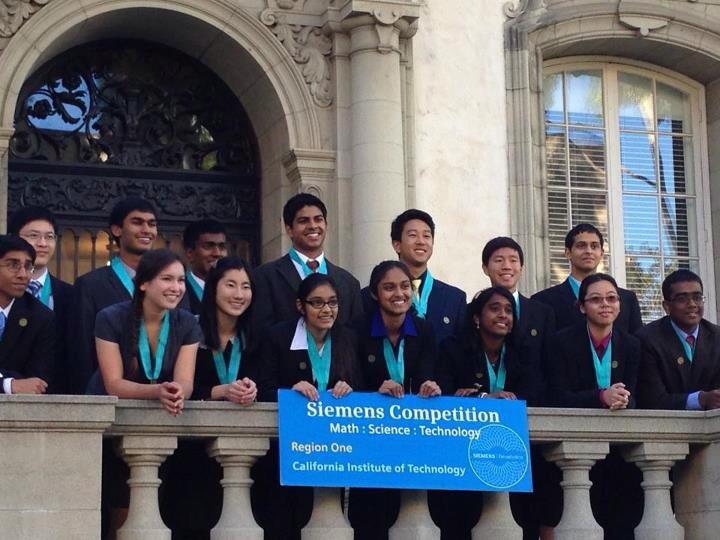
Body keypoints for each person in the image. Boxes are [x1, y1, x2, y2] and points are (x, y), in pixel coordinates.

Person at [88, 248, 200, 539]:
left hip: (161, 425)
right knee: (119, 511)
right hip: (112, 425)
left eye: (180, 280)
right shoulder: (110, 318)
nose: (176, 288)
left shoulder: (187, 323)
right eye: (167, 279)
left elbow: (185, 381)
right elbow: (114, 383)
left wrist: (177, 391)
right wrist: (158, 391)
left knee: (160, 512)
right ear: (143, 283)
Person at [253, 273, 362, 540]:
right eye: (317, 303)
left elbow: (362, 387)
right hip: (289, 450)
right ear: (300, 306)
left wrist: (349, 389)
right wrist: (289, 391)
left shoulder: (348, 338)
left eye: (333, 303)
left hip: (333, 448)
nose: (327, 310)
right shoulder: (277, 337)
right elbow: (262, 386)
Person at [163, 257, 258, 540]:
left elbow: (268, 380)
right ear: (213, 288)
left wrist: (252, 389)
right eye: (230, 285)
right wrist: (220, 391)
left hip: (246, 454)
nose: (239, 294)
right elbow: (177, 384)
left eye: (245, 286)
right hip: (191, 450)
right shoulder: (189, 330)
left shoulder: (256, 336)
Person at [435, 286, 540, 539]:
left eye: (508, 310)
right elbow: (447, 394)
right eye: (494, 309)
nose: (503, 315)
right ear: (476, 317)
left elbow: (534, 393)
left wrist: (471, 393)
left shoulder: (523, 352)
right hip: (463, 454)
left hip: (511, 454)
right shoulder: (454, 349)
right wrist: (484, 397)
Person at [349, 260, 440, 540]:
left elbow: (430, 372)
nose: (399, 294)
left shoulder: (424, 330)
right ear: (375, 294)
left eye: (405, 286)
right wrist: (375, 389)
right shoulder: (357, 330)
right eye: (389, 288)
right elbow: (350, 380)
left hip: (412, 437)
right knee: (371, 517)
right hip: (370, 440)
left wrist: (430, 385)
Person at [547, 273, 643, 540]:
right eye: (596, 299)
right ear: (582, 307)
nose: (605, 304)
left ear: (620, 305)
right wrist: (601, 397)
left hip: (620, 452)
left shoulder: (632, 344)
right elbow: (556, 396)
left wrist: (625, 399)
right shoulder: (560, 342)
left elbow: (637, 395)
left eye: (612, 298)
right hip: (574, 450)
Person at [71, 196, 158, 393]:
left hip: (165, 396)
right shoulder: (90, 285)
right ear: (117, 230)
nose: (147, 229)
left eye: (152, 224)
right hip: (106, 396)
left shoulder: (173, 286)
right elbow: (81, 351)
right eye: (137, 222)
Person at [251, 193, 363, 333]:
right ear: (289, 229)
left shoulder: (349, 283)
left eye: (318, 219)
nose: (313, 226)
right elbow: (260, 335)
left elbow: (355, 338)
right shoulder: (264, 277)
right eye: (304, 221)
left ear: (326, 225)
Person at [363, 209, 466, 346]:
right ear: (397, 245)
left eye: (427, 236)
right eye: (413, 235)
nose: (421, 242)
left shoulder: (455, 298)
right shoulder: (369, 295)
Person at [8, 206, 73, 393]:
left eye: (49, 237)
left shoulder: (71, 295)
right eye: (33, 235)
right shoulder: (4, 293)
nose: (43, 243)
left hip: (58, 399)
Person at [532, 223, 642, 333]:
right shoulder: (543, 301)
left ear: (602, 253)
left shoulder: (627, 300)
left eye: (594, 246)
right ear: (568, 253)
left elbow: (636, 345)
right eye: (581, 246)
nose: (589, 251)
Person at [637, 269, 720, 410]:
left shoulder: (716, 336)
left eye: (698, 297)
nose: (692, 304)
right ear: (666, 306)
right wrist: (700, 399)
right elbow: (651, 399)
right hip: (663, 427)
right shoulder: (647, 339)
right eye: (682, 299)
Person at [481, 236, 555, 379]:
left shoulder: (542, 312)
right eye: (499, 260)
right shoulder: (474, 310)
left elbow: (550, 363)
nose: (507, 266)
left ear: (521, 268)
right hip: (485, 397)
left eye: (513, 260)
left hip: (532, 399)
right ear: (485, 268)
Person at [0, 235, 55, 394]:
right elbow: (20, 383)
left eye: (28, 266)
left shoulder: (41, 317)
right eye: (13, 265)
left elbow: (37, 381)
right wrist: (8, 384)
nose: (23, 275)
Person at [181, 219, 228, 314]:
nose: (217, 253)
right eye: (209, 246)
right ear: (190, 253)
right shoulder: (178, 291)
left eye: (222, 246)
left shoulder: (236, 291)